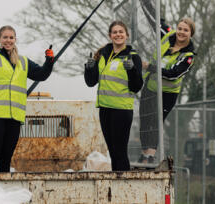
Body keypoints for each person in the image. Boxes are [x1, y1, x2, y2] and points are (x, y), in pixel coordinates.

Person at [0, 25, 55, 172]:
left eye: (11, 37)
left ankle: (3, 192)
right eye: (5, 37)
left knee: (6, 158)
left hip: (14, 117)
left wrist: (49, 61)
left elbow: (41, 75)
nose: (8, 40)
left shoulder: (23, 61)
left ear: (15, 40)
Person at [84, 21, 143, 171]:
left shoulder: (133, 57)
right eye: (115, 32)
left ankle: (123, 184)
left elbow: (136, 86)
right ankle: (116, 183)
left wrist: (131, 70)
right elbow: (91, 82)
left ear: (126, 35)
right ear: (110, 35)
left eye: (121, 32)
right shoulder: (103, 55)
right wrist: (89, 68)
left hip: (121, 110)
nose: (118, 34)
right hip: (105, 109)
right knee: (112, 151)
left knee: (120, 152)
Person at [138, 17, 196, 163]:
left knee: (155, 122)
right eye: (180, 28)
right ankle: (144, 154)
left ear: (191, 33)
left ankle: (150, 155)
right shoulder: (168, 35)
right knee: (145, 121)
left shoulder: (188, 56)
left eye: (186, 30)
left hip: (167, 94)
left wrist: (149, 67)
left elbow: (174, 74)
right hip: (150, 87)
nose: (181, 32)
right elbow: (155, 19)